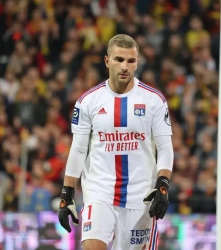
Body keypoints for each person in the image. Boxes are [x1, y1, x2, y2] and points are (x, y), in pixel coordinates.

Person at [58, 34, 174, 250]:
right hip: (100, 193)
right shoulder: (88, 101)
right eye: (119, 59)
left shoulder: (154, 100)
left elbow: (165, 147)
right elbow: (79, 149)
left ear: (137, 62)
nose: (125, 66)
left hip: (141, 198)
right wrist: (67, 195)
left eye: (131, 61)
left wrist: (163, 185)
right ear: (106, 61)